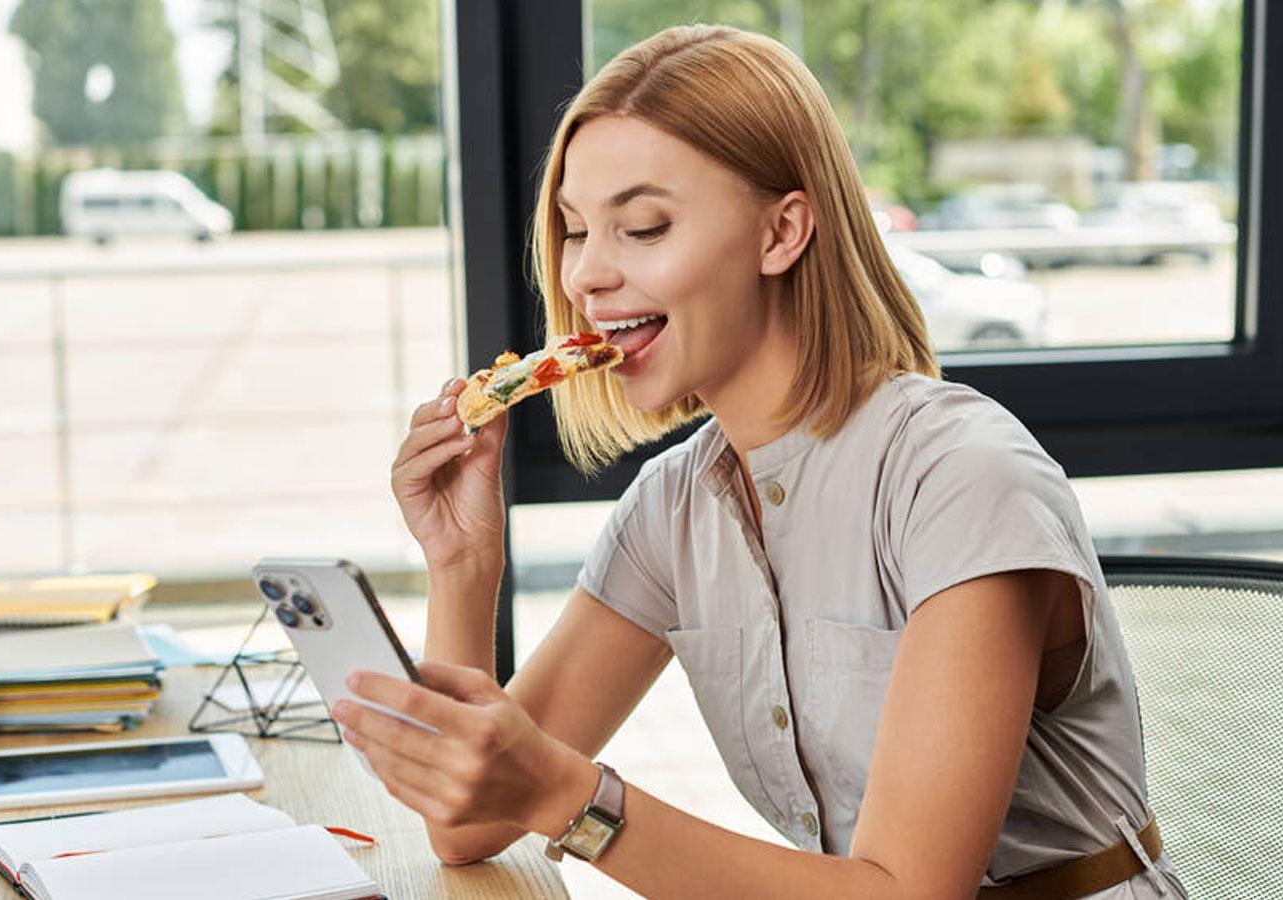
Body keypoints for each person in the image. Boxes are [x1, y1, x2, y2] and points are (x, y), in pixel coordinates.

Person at [328, 24, 1186, 899]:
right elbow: (468, 823)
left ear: (782, 233)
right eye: (576, 231)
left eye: (644, 227)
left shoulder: (961, 475)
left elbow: (909, 892)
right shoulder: (675, 507)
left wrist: (569, 795)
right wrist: (463, 564)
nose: (585, 275)